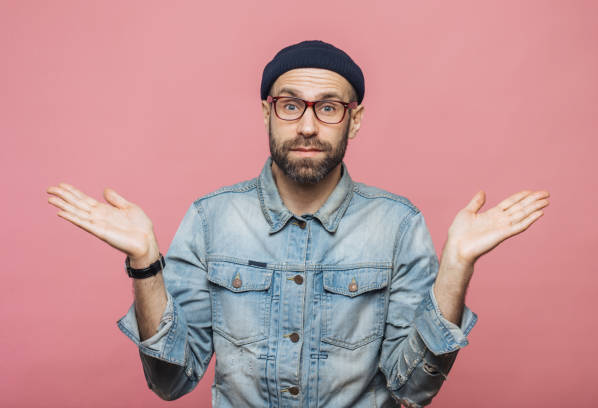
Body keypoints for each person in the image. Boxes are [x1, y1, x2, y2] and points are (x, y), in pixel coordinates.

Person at [46, 40, 550, 407]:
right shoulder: (209, 218)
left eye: (328, 108)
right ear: (266, 114)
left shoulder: (398, 224)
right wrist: (144, 265)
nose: (307, 125)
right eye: (291, 106)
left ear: (354, 120)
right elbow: (171, 382)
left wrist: (457, 267)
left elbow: (412, 387)